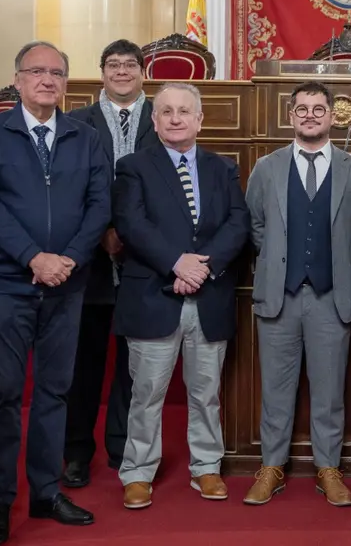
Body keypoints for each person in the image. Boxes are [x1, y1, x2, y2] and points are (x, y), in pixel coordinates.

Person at [0, 41, 111, 544]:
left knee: (55, 391)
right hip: (8, 283)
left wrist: (67, 258)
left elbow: (99, 204)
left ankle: (46, 492)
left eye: (56, 73)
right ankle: (0, 501)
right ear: (18, 80)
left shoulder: (85, 136)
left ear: (67, 82)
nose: (47, 80)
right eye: (37, 72)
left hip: (68, 284)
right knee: (5, 395)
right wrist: (34, 257)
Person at [111, 82, 249, 510]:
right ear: (154, 120)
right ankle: (137, 471)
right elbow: (131, 224)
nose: (175, 118)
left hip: (208, 298)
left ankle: (206, 467)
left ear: (199, 120)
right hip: (154, 296)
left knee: (205, 391)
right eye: (166, 111)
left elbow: (237, 223)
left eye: (184, 111)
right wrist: (177, 263)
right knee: (146, 392)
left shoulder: (222, 168)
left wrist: (201, 268)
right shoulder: (134, 166)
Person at [243, 81, 351, 507]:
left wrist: (335, 263)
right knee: (275, 390)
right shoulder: (267, 167)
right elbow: (256, 227)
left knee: (330, 391)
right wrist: (282, 261)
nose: (311, 115)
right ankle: (271, 468)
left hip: (330, 298)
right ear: (291, 115)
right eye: (303, 109)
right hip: (279, 296)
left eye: (319, 109)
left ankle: (328, 469)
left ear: (332, 116)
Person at [61, 39, 159, 488]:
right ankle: (77, 452)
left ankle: (123, 448)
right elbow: (68, 188)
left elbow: (168, 188)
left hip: (145, 260)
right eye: (113, 65)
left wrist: (134, 233)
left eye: (130, 65)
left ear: (143, 71)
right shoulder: (77, 122)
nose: (122, 71)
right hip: (90, 261)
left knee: (133, 365)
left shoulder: (165, 117)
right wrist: (100, 231)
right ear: (102, 71)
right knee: (85, 364)